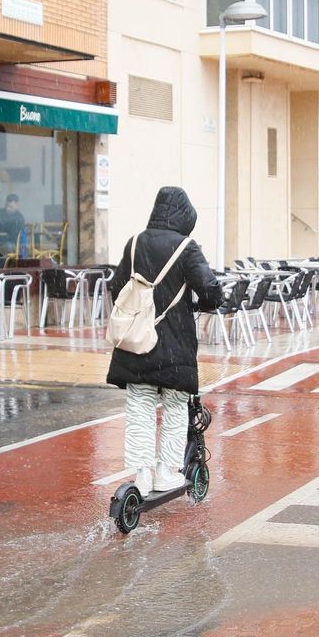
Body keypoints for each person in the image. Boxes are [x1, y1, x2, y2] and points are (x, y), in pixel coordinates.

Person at [106, 186, 223, 494]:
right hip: (174, 344)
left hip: (137, 341)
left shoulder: (135, 243)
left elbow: (117, 287)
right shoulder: (186, 247)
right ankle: (166, 471)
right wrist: (207, 302)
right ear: (185, 216)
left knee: (139, 406)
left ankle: (142, 474)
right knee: (174, 405)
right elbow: (209, 289)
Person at [0, 193, 27, 258]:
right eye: (6, 206)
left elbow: (23, 237)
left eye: (10, 207)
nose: (7, 209)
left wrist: (24, 256)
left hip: (11, 244)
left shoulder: (19, 218)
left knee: (8, 247)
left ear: (16, 205)